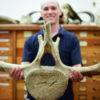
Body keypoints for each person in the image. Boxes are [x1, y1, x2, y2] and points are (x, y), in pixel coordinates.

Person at [10, 0, 83, 100]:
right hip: (35, 96)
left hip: (64, 97)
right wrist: (19, 73)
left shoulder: (72, 39)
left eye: (53, 8)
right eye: (46, 9)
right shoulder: (30, 41)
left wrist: (77, 73)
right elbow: (25, 68)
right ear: (41, 13)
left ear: (60, 12)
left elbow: (77, 68)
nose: (49, 12)